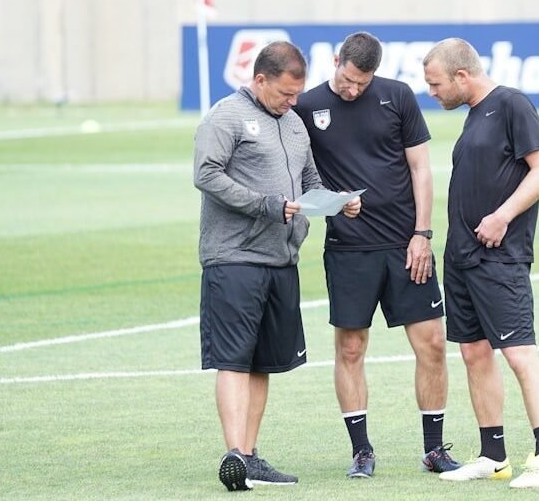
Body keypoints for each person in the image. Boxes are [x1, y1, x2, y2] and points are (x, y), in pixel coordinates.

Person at [194, 40, 360, 491]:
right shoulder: (226, 117)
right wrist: (263, 206)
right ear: (260, 79)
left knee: (264, 363)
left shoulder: (294, 124)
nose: (292, 103)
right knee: (233, 359)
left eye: (297, 95)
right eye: (285, 94)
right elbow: (205, 174)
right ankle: (233, 454)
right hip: (234, 259)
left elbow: (308, 180)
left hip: (282, 259)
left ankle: (248, 456)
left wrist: (333, 202)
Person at [294, 32, 460, 479]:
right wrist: (326, 201)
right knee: (350, 348)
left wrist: (422, 234)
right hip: (348, 249)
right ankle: (361, 451)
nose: (353, 90)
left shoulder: (397, 97)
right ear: (336, 62)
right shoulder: (307, 107)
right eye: (348, 80)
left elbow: (421, 168)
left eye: (361, 84)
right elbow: (297, 176)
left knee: (433, 344)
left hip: (407, 246)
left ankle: (433, 450)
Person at [422, 38, 539, 489]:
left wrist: (503, 215)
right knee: (473, 352)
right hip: (462, 257)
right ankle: (493, 454)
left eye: (436, 83)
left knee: (519, 352)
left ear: (462, 76)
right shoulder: (473, 116)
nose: (433, 92)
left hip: (499, 257)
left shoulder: (511, 105)